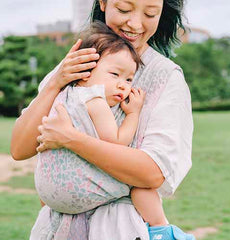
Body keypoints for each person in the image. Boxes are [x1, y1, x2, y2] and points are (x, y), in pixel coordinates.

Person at [11, 0, 195, 239]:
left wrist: (72, 140)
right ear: (104, 3)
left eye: (151, 13)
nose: (135, 24)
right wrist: (56, 82)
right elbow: (19, 148)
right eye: (124, 10)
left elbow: (153, 172)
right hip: (55, 229)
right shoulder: (77, 63)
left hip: (117, 228)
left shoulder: (165, 77)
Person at [35, 21, 145, 215]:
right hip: (77, 193)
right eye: (114, 74)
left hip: (47, 193)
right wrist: (133, 114)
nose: (123, 85)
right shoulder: (95, 99)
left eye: (129, 79)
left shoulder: (67, 93)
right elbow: (116, 142)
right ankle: (160, 227)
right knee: (144, 186)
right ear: (86, 73)